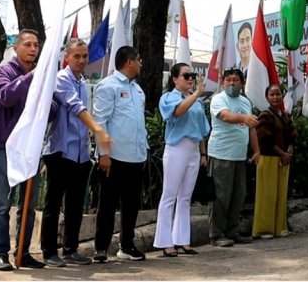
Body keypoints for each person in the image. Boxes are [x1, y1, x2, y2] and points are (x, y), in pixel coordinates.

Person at [40, 40, 111, 268]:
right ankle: (49, 250)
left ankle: (70, 249)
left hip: (80, 154)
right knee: (53, 204)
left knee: (75, 204)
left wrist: (90, 137)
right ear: (67, 57)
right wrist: (97, 128)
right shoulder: (62, 79)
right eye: (77, 56)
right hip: (60, 151)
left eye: (85, 56)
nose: (81, 60)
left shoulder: (82, 81)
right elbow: (74, 106)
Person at [0, 29, 46, 271]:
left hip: (30, 149)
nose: (33, 49)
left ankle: (22, 250)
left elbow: (50, 108)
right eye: (28, 44)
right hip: (7, 147)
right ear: (16, 47)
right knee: (3, 204)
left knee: (29, 205)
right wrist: (30, 77)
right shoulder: (4, 71)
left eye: (36, 45)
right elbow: (5, 97)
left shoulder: (42, 76)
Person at [92, 46, 149, 263]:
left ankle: (127, 246)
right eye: (139, 60)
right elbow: (100, 122)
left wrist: (143, 151)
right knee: (107, 204)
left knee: (131, 205)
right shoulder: (108, 86)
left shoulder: (138, 90)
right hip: (114, 157)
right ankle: (101, 248)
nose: (141, 64)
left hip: (136, 157)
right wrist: (103, 154)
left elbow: (138, 124)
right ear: (129, 62)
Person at [153, 64, 211, 257]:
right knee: (170, 195)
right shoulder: (169, 97)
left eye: (192, 75)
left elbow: (201, 130)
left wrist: (203, 153)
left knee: (186, 196)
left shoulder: (198, 102)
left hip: (193, 148)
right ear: (175, 79)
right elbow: (177, 112)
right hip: (177, 148)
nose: (190, 79)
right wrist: (196, 95)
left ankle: (182, 240)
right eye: (186, 75)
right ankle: (164, 241)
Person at [207, 68, 260, 247]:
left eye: (235, 80)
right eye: (228, 80)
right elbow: (226, 116)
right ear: (223, 82)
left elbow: (251, 128)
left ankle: (232, 231)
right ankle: (216, 234)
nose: (231, 83)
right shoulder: (218, 99)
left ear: (242, 83)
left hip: (239, 156)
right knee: (221, 196)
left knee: (238, 195)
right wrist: (244, 118)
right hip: (221, 154)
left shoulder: (245, 102)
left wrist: (256, 150)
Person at [252, 84, 298, 239]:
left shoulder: (285, 115)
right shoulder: (264, 115)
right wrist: (282, 153)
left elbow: (293, 135)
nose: (275, 97)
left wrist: (288, 153)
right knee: (267, 195)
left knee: (280, 195)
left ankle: (279, 228)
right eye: (272, 94)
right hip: (268, 159)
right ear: (267, 97)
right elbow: (265, 139)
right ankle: (264, 229)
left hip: (283, 160)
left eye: (278, 94)